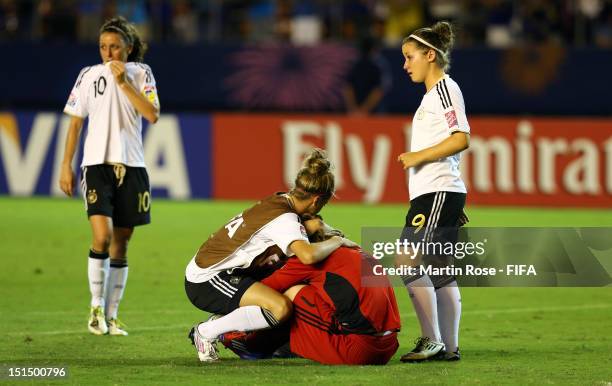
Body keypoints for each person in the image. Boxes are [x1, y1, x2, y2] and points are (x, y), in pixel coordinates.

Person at [185, 149, 357, 362]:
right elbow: (308, 256)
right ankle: (207, 331)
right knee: (280, 307)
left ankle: (250, 330)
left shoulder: (281, 201)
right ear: (316, 200)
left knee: (290, 286)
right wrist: (337, 241)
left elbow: (303, 225)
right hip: (208, 279)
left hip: (228, 270)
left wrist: (326, 229)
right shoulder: (284, 219)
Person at [59, 16, 160, 336]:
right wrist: (66, 164)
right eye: (103, 47)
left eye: (114, 47)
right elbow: (75, 123)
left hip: (132, 167)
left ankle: (112, 316)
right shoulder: (88, 75)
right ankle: (95, 308)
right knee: (101, 237)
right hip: (96, 166)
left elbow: (152, 114)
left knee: (121, 244)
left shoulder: (141, 73)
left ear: (128, 48)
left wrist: (123, 83)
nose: (108, 53)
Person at [219, 215, 401, 365]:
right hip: (387, 347)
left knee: (290, 295)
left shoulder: (308, 259)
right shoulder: (357, 250)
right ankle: (287, 345)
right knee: (308, 293)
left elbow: (260, 292)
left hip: (359, 351)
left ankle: (253, 347)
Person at [396, 21, 470, 362]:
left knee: (405, 258)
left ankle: (431, 339)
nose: (406, 64)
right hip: (442, 193)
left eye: (410, 57)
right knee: (440, 268)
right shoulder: (433, 95)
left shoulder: (444, 90)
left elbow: (461, 138)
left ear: (430, 55)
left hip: (437, 193)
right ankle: (449, 347)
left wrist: (417, 156)